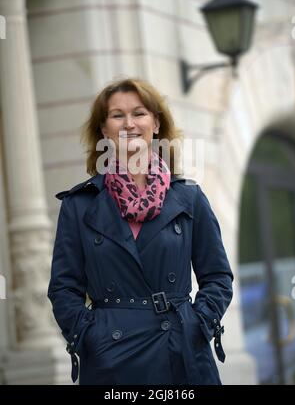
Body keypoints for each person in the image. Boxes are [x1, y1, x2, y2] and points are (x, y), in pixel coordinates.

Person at [47, 77, 233, 385]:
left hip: (182, 352)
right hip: (111, 361)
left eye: (139, 113)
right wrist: (92, 336)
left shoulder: (188, 196)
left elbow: (217, 276)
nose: (129, 123)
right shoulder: (79, 205)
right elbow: (64, 288)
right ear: (104, 130)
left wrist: (197, 324)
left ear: (156, 124)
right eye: (117, 115)